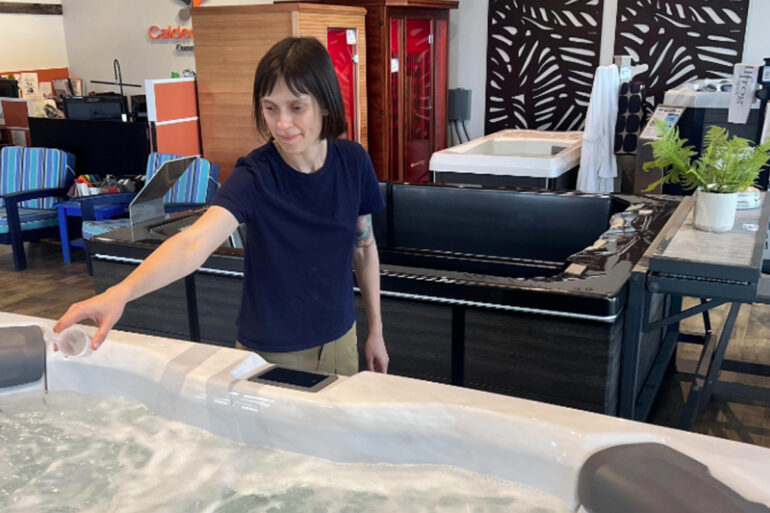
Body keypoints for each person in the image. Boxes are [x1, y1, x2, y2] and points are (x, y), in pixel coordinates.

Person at [54, 37, 389, 375]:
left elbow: (364, 246)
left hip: (341, 339)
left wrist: (375, 329)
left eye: (296, 108)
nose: (282, 123)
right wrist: (121, 292)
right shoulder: (255, 176)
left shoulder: (353, 161)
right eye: (270, 108)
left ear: (326, 104)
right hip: (274, 351)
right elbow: (192, 243)